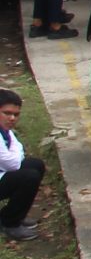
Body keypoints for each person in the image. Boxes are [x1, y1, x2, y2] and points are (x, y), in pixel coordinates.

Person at [0, 90, 43, 242]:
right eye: (7, 113)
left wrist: (15, 156)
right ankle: (10, 223)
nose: (12, 118)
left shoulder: (4, 130)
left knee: (36, 165)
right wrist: (16, 155)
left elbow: (18, 149)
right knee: (29, 177)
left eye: (16, 115)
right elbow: (11, 162)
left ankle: (13, 213)